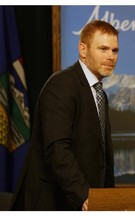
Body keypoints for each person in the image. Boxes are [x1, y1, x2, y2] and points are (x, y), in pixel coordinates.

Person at [10, 20, 119, 210]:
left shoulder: (100, 93)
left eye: (114, 50)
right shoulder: (61, 85)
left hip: (91, 202)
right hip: (53, 203)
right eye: (103, 49)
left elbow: (101, 159)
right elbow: (57, 149)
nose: (111, 56)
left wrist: (107, 198)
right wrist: (83, 195)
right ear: (83, 50)